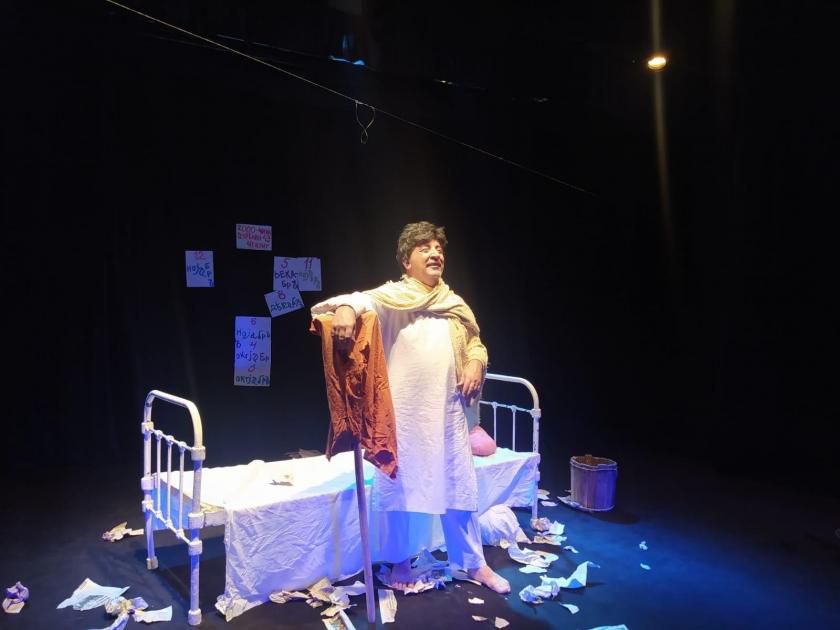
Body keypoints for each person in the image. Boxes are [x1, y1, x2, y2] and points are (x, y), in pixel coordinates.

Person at [311, 221, 511, 594]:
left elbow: (475, 342)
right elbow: (359, 299)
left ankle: (473, 564)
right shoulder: (392, 298)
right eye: (425, 248)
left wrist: (476, 362)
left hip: (448, 411)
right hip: (403, 412)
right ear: (406, 260)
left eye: (439, 248)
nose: (435, 253)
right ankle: (400, 560)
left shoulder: (453, 303)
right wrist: (346, 309)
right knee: (398, 488)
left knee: (459, 487)